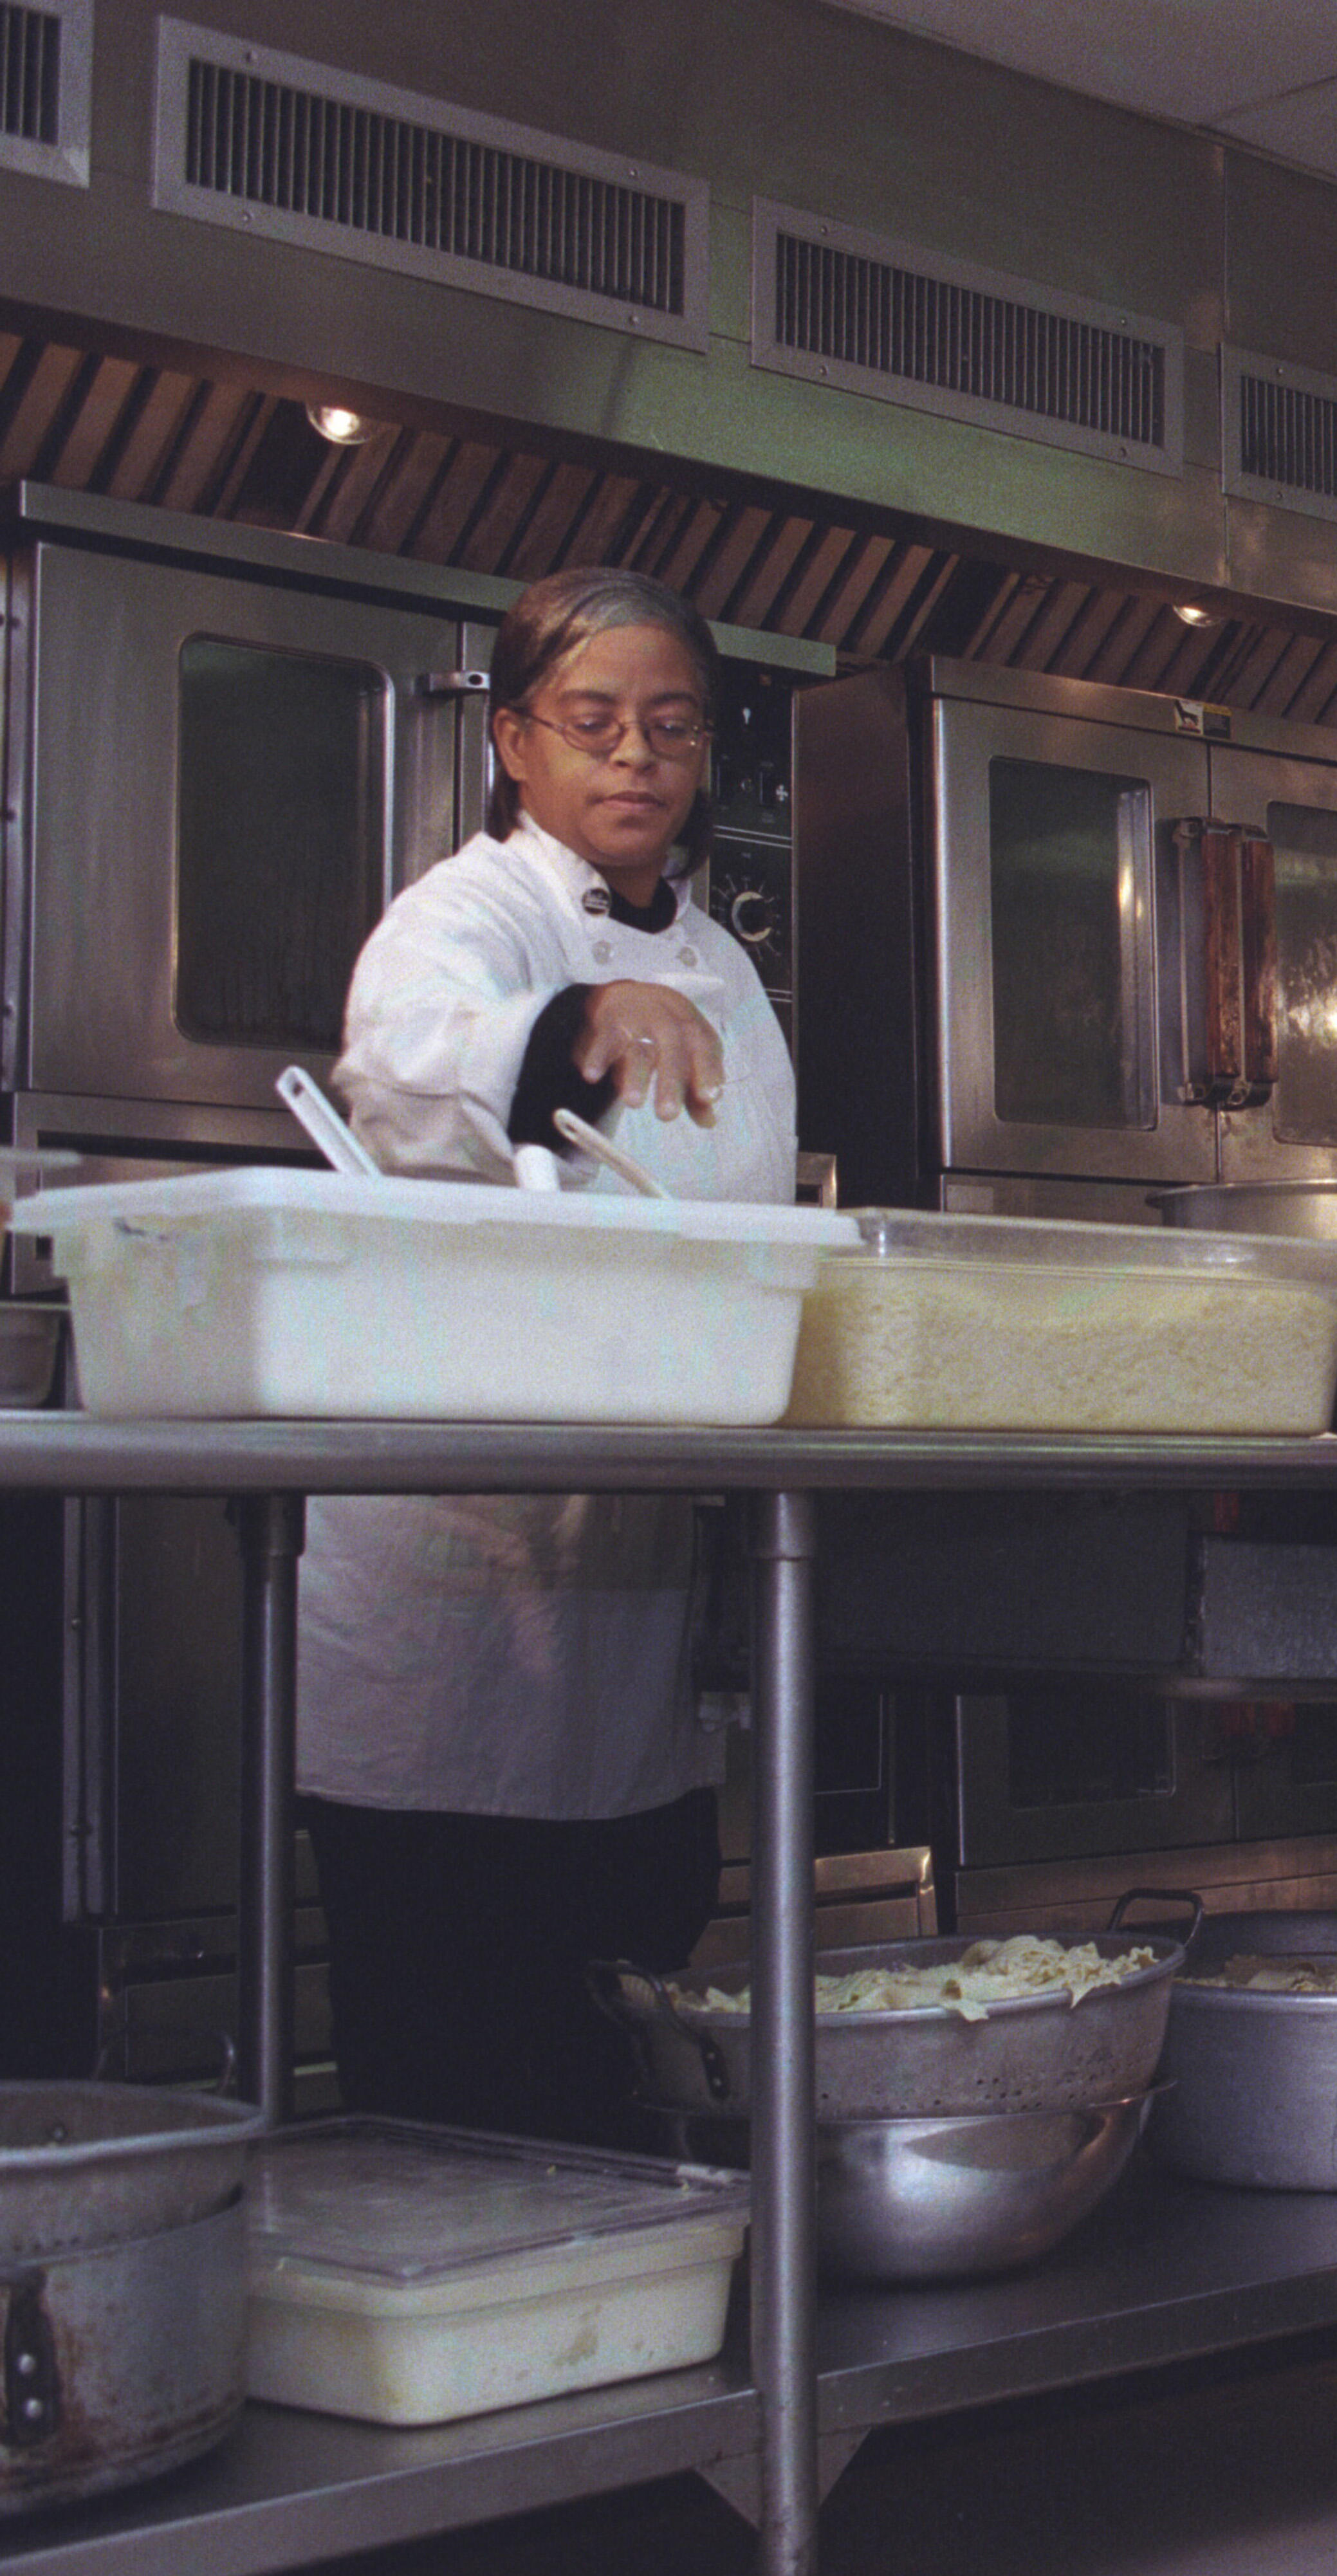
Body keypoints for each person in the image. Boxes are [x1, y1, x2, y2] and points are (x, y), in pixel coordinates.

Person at [300, 566, 799, 2150]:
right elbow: (401, 1078)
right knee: (451, 2102)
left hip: (641, 1618)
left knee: (612, 2080)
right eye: (592, 723)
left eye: (670, 725)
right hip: (452, 1621)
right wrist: (576, 1017)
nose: (634, 757)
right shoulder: (465, 918)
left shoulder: (732, 975)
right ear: (515, 739)